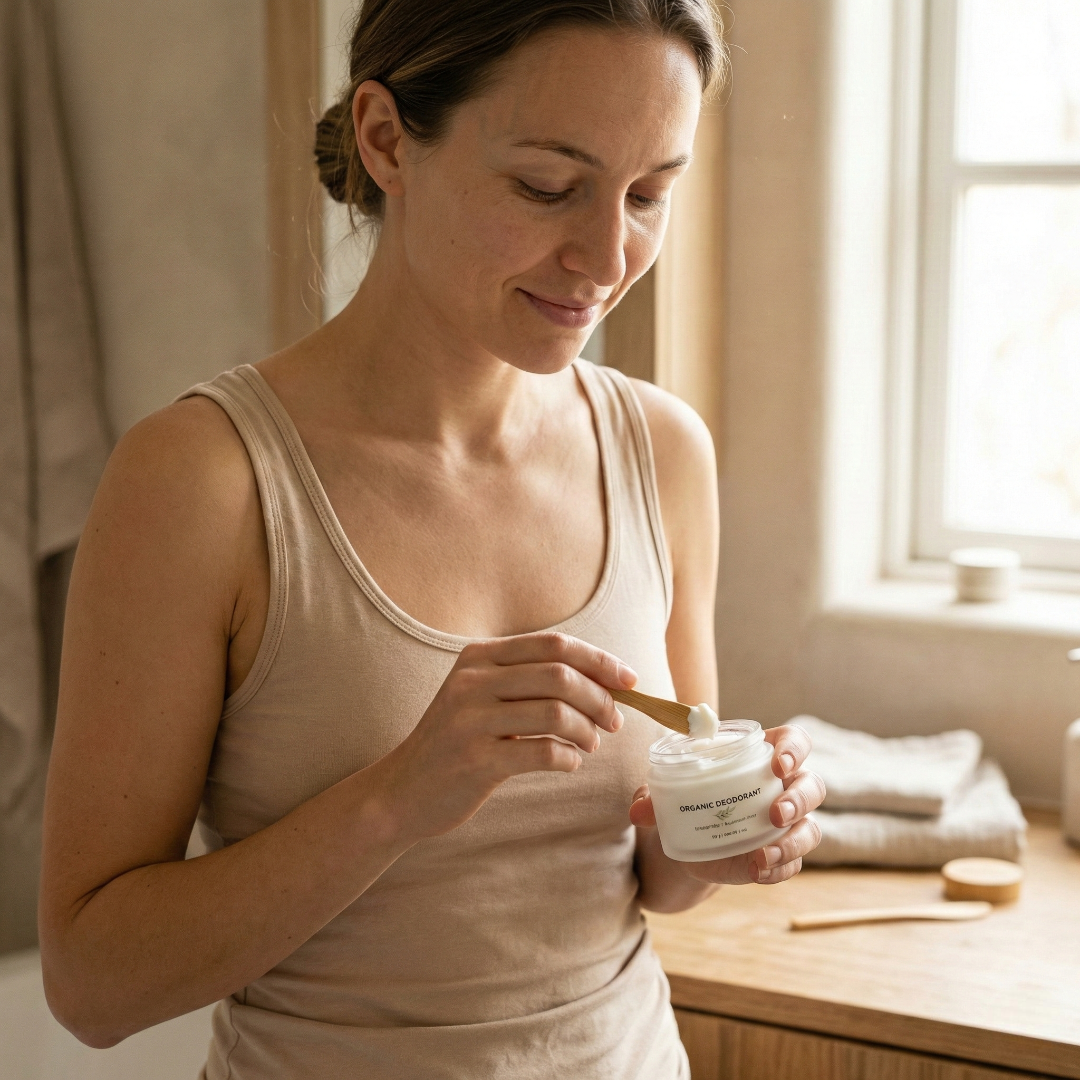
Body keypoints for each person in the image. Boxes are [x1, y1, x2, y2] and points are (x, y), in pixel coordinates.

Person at [38, 1, 825, 1076]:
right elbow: (91, 986)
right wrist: (399, 797)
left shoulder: (662, 451)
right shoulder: (203, 485)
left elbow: (652, 872)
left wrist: (733, 831)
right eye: (548, 186)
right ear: (385, 137)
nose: (607, 255)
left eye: (650, 193)